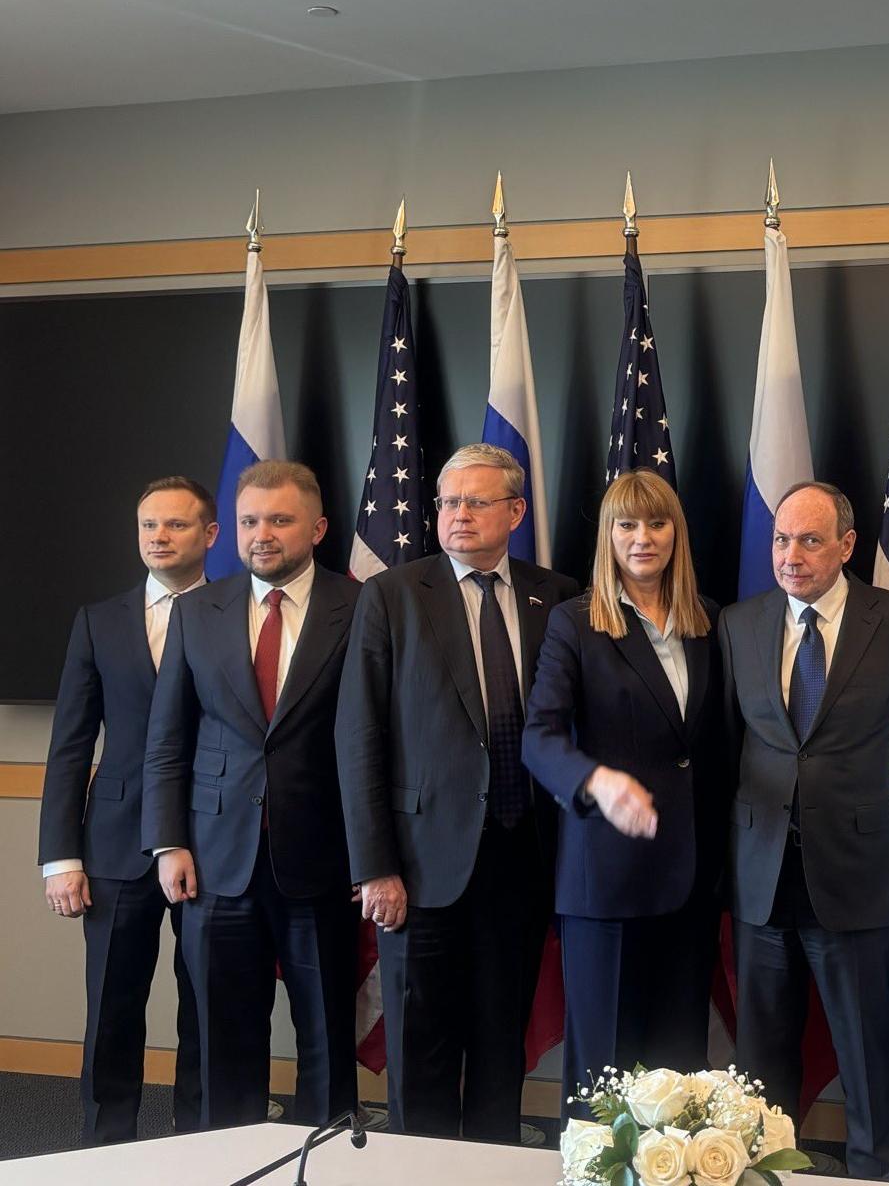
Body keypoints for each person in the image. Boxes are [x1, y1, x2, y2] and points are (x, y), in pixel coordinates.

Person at [337, 443, 580, 1141]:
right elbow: (359, 737)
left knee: (503, 1043)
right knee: (422, 1046)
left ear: (516, 511)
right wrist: (373, 866)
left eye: (477, 502)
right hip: (418, 865)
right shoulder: (392, 594)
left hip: (524, 859)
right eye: (448, 502)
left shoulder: (555, 596)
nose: (459, 516)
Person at [141, 460, 361, 1129]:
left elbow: (377, 739)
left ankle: (323, 1166)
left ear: (317, 527)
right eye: (248, 521)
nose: (261, 533)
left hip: (321, 860)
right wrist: (168, 842)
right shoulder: (196, 611)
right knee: (221, 1039)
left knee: (326, 1035)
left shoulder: (361, 607)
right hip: (213, 860)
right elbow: (168, 738)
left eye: (279, 519)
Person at [719, 480, 889, 1179]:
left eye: (809, 539)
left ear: (847, 544)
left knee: (868, 1053)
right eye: (781, 539)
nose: (791, 554)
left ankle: (878, 1173)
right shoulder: (740, 623)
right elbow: (724, 748)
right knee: (761, 1058)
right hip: (760, 877)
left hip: (860, 874)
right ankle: (766, 1171)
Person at [522, 469, 727, 1111]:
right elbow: (539, 736)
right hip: (605, 881)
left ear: (677, 534)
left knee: (678, 1074)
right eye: (627, 524)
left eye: (657, 523)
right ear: (608, 536)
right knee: (604, 1083)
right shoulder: (575, 623)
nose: (643, 538)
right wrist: (596, 780)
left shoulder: (710, 623)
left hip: (690, 882)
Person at [40, 476, 212, 1142]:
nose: (160, 537)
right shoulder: (98, 620)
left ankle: (202, 1142)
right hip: (112, 844)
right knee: (112, 1008)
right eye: (149, 526)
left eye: (175, 525)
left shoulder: (238, 612)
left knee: (204, 1008)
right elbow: (69, 746)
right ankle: (103, 1147)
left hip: (213, 840)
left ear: (210, 535)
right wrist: (61, 857)